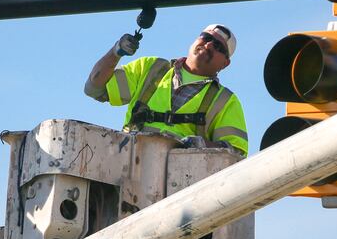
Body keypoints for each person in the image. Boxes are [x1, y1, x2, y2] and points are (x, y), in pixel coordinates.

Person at [84, 24, 248, 157]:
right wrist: (116, 51)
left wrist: (202, 146)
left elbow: (236, 154)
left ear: (225, 64)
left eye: (218, 46)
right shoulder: (150, 68)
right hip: (128, 163)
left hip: (181, 180)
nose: (209, 44)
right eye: (206, 37)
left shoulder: (225, 101)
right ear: (195, 40)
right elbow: (95, 88)